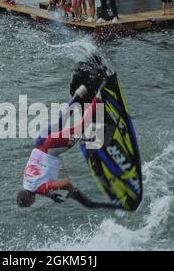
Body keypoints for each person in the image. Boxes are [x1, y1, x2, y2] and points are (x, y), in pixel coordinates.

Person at [17, 58, 122, 209]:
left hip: (51, 147)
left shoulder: (39, 188)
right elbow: (39, 186)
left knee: (82, 127)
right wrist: (51, 194)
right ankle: (81, 91)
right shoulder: (27, 183)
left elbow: (65, 184)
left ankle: (101, 90)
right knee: (62, 119)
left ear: (31, 201)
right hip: (40, 141)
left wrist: (72, 191)